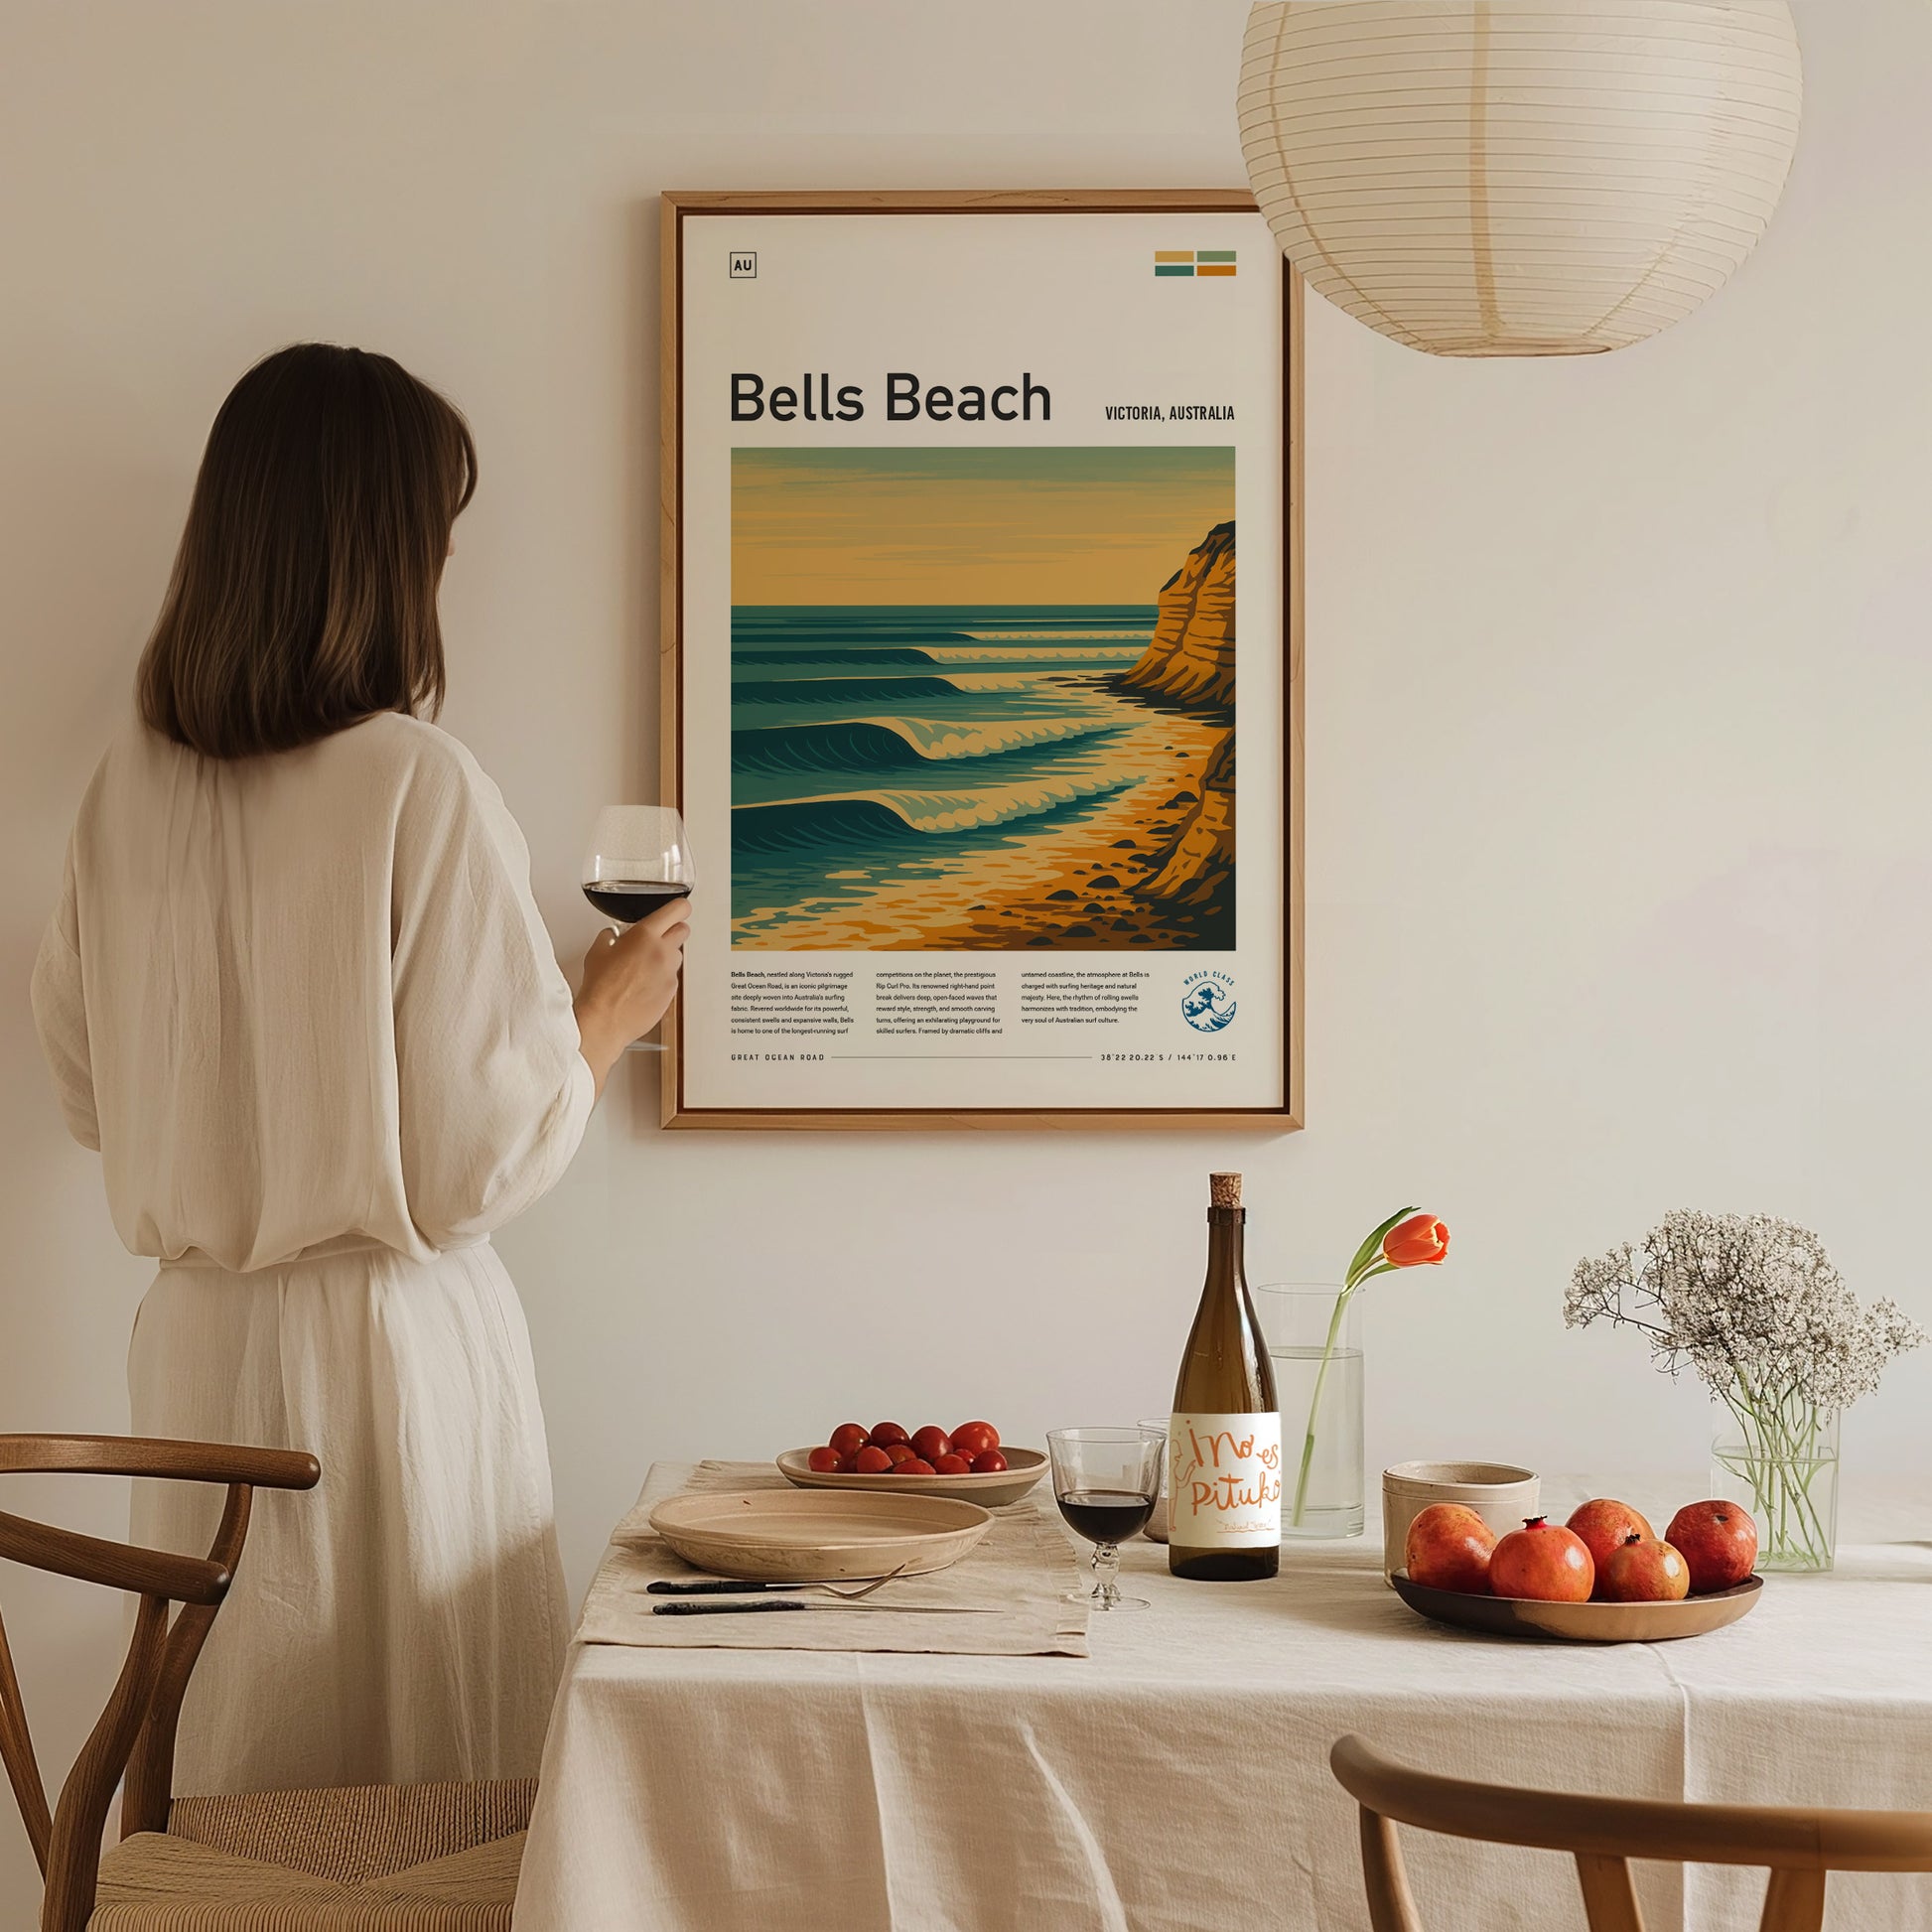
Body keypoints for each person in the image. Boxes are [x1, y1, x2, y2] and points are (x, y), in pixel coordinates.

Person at [29, 343, 684, 1793]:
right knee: (420, 1798)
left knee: (239, 1777)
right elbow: (471, 1165)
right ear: (385, 553)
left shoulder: (122, 792)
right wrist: (603, 1011)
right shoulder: (414, 779)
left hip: (197, 1351)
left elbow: (87, 1093)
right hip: (387, 1362)